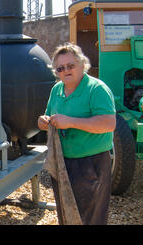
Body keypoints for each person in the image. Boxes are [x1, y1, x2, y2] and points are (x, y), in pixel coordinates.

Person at [37, 43, 116, 225]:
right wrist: (43, 122)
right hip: (63, 162)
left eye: (70, 65)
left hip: (91, 163)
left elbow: (108, 123)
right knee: (66, 211)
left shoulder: (96, 89)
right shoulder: (57, 90)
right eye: (60, 68)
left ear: (82, 64)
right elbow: (48, 116)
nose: (66, 70)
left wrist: (71, 122)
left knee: (90, 217)